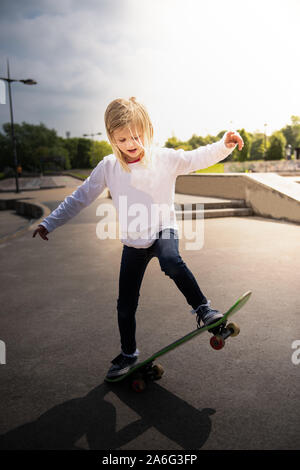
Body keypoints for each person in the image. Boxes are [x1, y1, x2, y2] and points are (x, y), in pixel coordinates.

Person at [33, 97, 244, 378]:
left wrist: (224, 144)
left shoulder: (165, 159)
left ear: (148, 130)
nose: (131, 144)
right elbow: (81, 196)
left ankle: (204, 309)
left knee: (171, 260)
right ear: (112, 138)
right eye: (122, 139)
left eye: (136, 135)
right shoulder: (109, 167)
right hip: (133, 241)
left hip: (163, 229)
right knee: (125, 304)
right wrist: (50, 221)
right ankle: (128, 354)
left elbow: (196, 158)